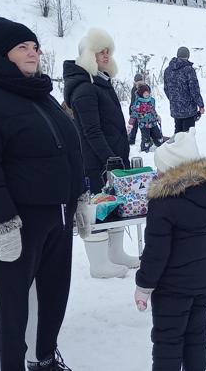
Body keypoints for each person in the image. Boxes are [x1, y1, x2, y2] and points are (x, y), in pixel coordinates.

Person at [0, 17, 86, 370]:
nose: (33, 53)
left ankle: (40, 359)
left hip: (54, 214)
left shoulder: (39, 93)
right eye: (22, 47)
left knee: (49, 297)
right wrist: (2, 223)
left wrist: (79, 196)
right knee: (5, 310)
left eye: (35, 47)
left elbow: (68, 148)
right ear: (2, 54)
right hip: (9, 221)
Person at [134, 128, 206, 371]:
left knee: (168, 339)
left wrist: (144, 285)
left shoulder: (163, 203)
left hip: (172, 288)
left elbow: (156, 251)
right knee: (197, 334)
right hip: (204, 281)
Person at [63, 27, 139, 279]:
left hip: (111, 158)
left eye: (108, 52)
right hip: (96, 162)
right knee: (96, 208)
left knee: (114, 204)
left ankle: (115, 254)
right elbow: (91, 131)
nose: (105, 56)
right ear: (88, 55)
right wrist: (110, 157)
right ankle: (98, 264)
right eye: (99, 52)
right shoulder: (85, 88)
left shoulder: (101, 83)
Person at [163, 46, 205, 133]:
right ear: (188, 56)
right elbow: (194, 89)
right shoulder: (189, 69)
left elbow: (166, 89)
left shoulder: (167, 70)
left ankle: (176, 146)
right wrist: (201, 105)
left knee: (178, 133)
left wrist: (174, 100)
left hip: (175, 109)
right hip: (188, 110)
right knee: (188, 135)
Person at [130, 84, 166, 152]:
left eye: (148, 92)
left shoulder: (151, 100)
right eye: (144, 93)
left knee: (157, 134)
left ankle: (159, 144)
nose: (147, 94)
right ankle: (145, 149)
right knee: (146, 138)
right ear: (141, 94)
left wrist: (157, 116)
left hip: (153, 123)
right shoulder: (138, 103)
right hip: (144, 124)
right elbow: (134, 114)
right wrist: (130, 124)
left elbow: (153, 110)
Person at [129, 72, 147, 145]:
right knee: (144, 127)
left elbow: (133, 101)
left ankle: (132, 140)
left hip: (136, 111)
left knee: (134, 126)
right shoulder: (146, 87)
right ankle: (145, 141)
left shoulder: (134, 88)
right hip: (143, 111)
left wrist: (131, 110)